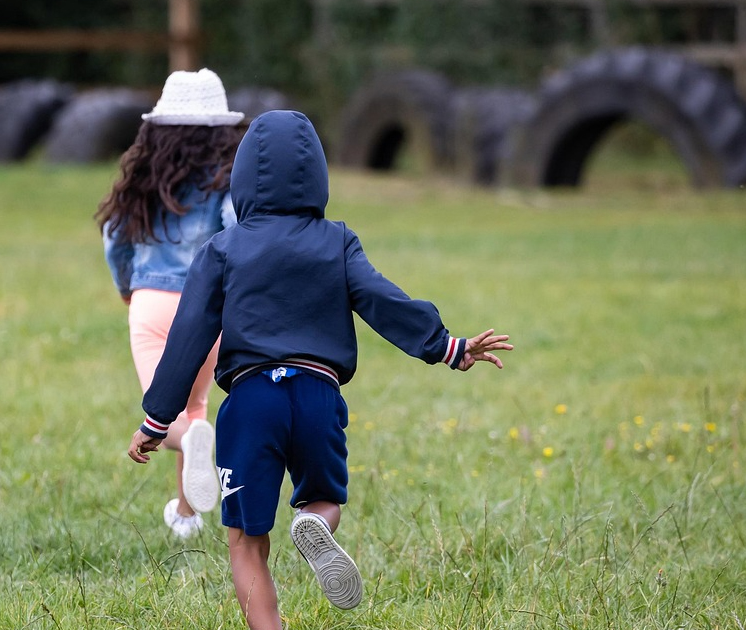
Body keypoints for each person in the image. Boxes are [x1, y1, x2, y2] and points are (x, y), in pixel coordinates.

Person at [126, 110, 513, 629]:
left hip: (252, 400)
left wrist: (157, 419)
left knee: (245, 540)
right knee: (325, 496)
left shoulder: (224, 248)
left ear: (241, 178)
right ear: (317, 175)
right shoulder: (337, 240)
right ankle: (313, 524)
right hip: (317, 394)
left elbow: (188, 335)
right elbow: (381, 298)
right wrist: (445, 345)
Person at [97, 68, 247, 538]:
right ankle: (186, 516)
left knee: (167, 418)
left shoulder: (144, 175)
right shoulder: (227, 178)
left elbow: (114, 236)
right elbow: (236, 228)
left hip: (152, 304)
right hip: (207, 311)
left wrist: (127, 286)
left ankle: (189, 488)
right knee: (195, 406)